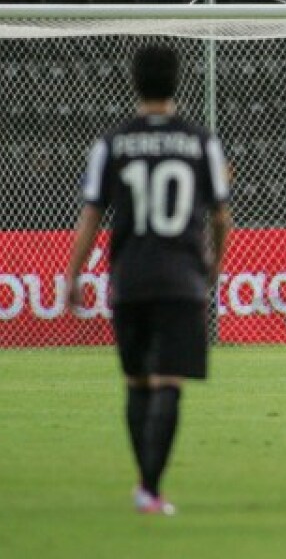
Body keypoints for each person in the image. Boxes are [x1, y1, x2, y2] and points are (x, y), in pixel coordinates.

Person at [64, 44, 233, 515]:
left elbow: (91, 215)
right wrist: (214, 263)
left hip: (130, 278)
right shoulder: (201, 141)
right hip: (182, 278)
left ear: (134, 82)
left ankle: (145, 486)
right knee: (168, 381)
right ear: (176, 82)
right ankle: (150, 489)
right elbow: (221, 215)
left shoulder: (112, 143)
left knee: (136, 383)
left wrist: (74, 273)